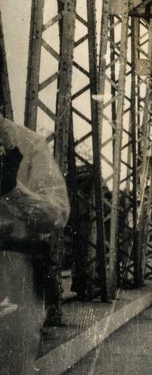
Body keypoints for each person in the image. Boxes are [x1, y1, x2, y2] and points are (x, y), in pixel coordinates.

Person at [0, 117, 70, 375]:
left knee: (13, 363)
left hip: (12, 271)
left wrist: (13, 191)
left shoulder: (29, 144)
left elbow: (57, 214)